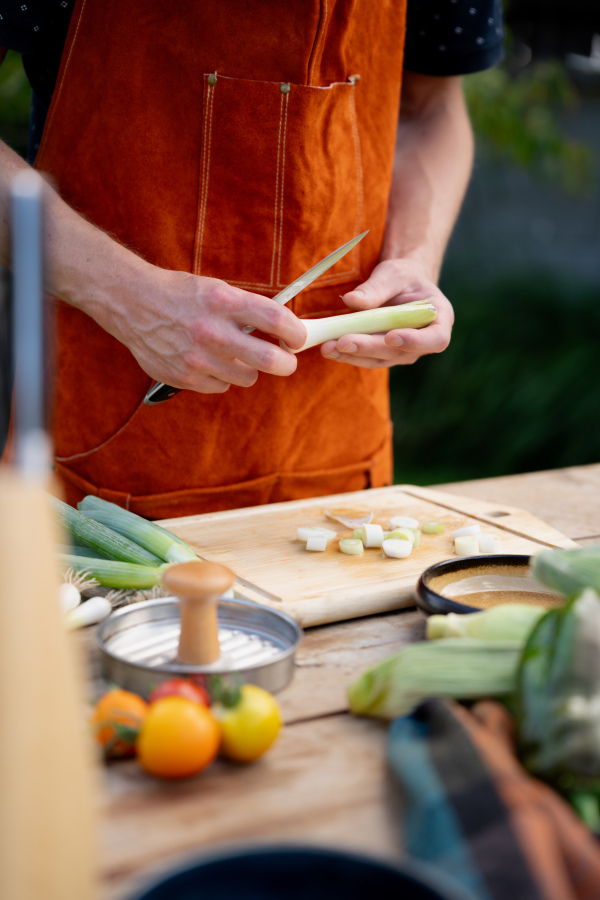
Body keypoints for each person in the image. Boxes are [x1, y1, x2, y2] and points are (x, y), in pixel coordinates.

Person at [0, 1, 503, 518]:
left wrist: (415, 258)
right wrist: (127, 295)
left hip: (337, 434)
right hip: (105, 430)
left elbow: (434, 105)